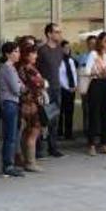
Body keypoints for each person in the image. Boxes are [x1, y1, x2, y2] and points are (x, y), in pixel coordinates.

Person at [85, 32, 106, 156]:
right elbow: (87, 71)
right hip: (96, 84)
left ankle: (104, 144)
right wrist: (97, 71)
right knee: (94, 115)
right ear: (100, 41)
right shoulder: (94, 54)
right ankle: (91, 145)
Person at [17, 42, 47, 173]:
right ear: (26, 55)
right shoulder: (28, 68)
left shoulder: (21, 67)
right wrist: (44, 83)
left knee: (26, 133)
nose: (36, 55)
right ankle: (31, 162)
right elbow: (39, 83)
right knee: (33, 132)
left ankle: (26, 159)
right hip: (31, 104)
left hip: (26, 103)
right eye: (33, 53)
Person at [36, 23, 65, 158]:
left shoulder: (60, 50)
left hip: (56, 88)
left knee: (54, 118)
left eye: (60, 32)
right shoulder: (41, 51)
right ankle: (38, 148)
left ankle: (53, 147)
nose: (59, 34)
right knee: (43, 118)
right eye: (57, 32)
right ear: (49, 34)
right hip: (44, 89)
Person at [0, 42, 25, 177]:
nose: (18, 54)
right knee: (10, 136)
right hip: (10, 103)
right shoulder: (7, 68)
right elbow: (16, 88)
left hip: (11, 102)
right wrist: (21, 87)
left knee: (12, 135)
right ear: (7, 54)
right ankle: (8, 165)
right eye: (15, 51)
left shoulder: (11, 68)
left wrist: (21, 85)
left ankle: (9, 163)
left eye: (18, 51)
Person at [58, 40, 78, 140]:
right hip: (62, 89)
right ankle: (59, 133)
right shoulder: (58, 61)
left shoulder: (71, 60)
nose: (67, 50)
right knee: (60, 112)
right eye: (65, 48)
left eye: (69, 48)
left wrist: (75, 86)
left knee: (70, 112)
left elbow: (74, 74)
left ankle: (68, 133)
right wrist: (67, 87)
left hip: (72, 89)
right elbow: (59, 77)